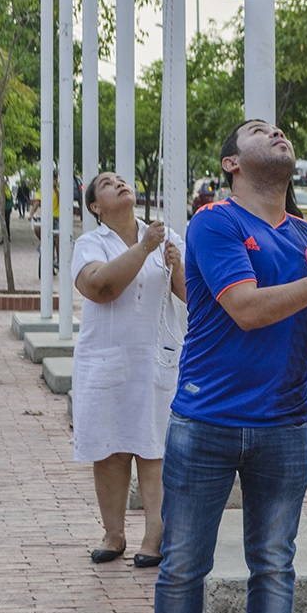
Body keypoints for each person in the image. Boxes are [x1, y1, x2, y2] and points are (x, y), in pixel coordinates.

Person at [154, 119, 307, 613]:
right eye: (260, 131)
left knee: (273, 566)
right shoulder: (215, 221)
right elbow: (245, 309)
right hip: (205, 420)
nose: (278, 133)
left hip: (286, 424)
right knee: (182, 567)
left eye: (281, 130)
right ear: (231, 163)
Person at [72, 172, 187, 568]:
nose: (119, 183)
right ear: (95, 207)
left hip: (154, 358)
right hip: (103, 359)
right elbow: (101, 287)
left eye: (121, 180)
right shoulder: (89, 243)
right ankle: (113, 532)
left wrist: (177, 265)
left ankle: (154, 535)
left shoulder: (164, 235)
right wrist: (143, 248)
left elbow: (191, 296)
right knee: (109, 449)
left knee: (154, 448)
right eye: (106, 184)